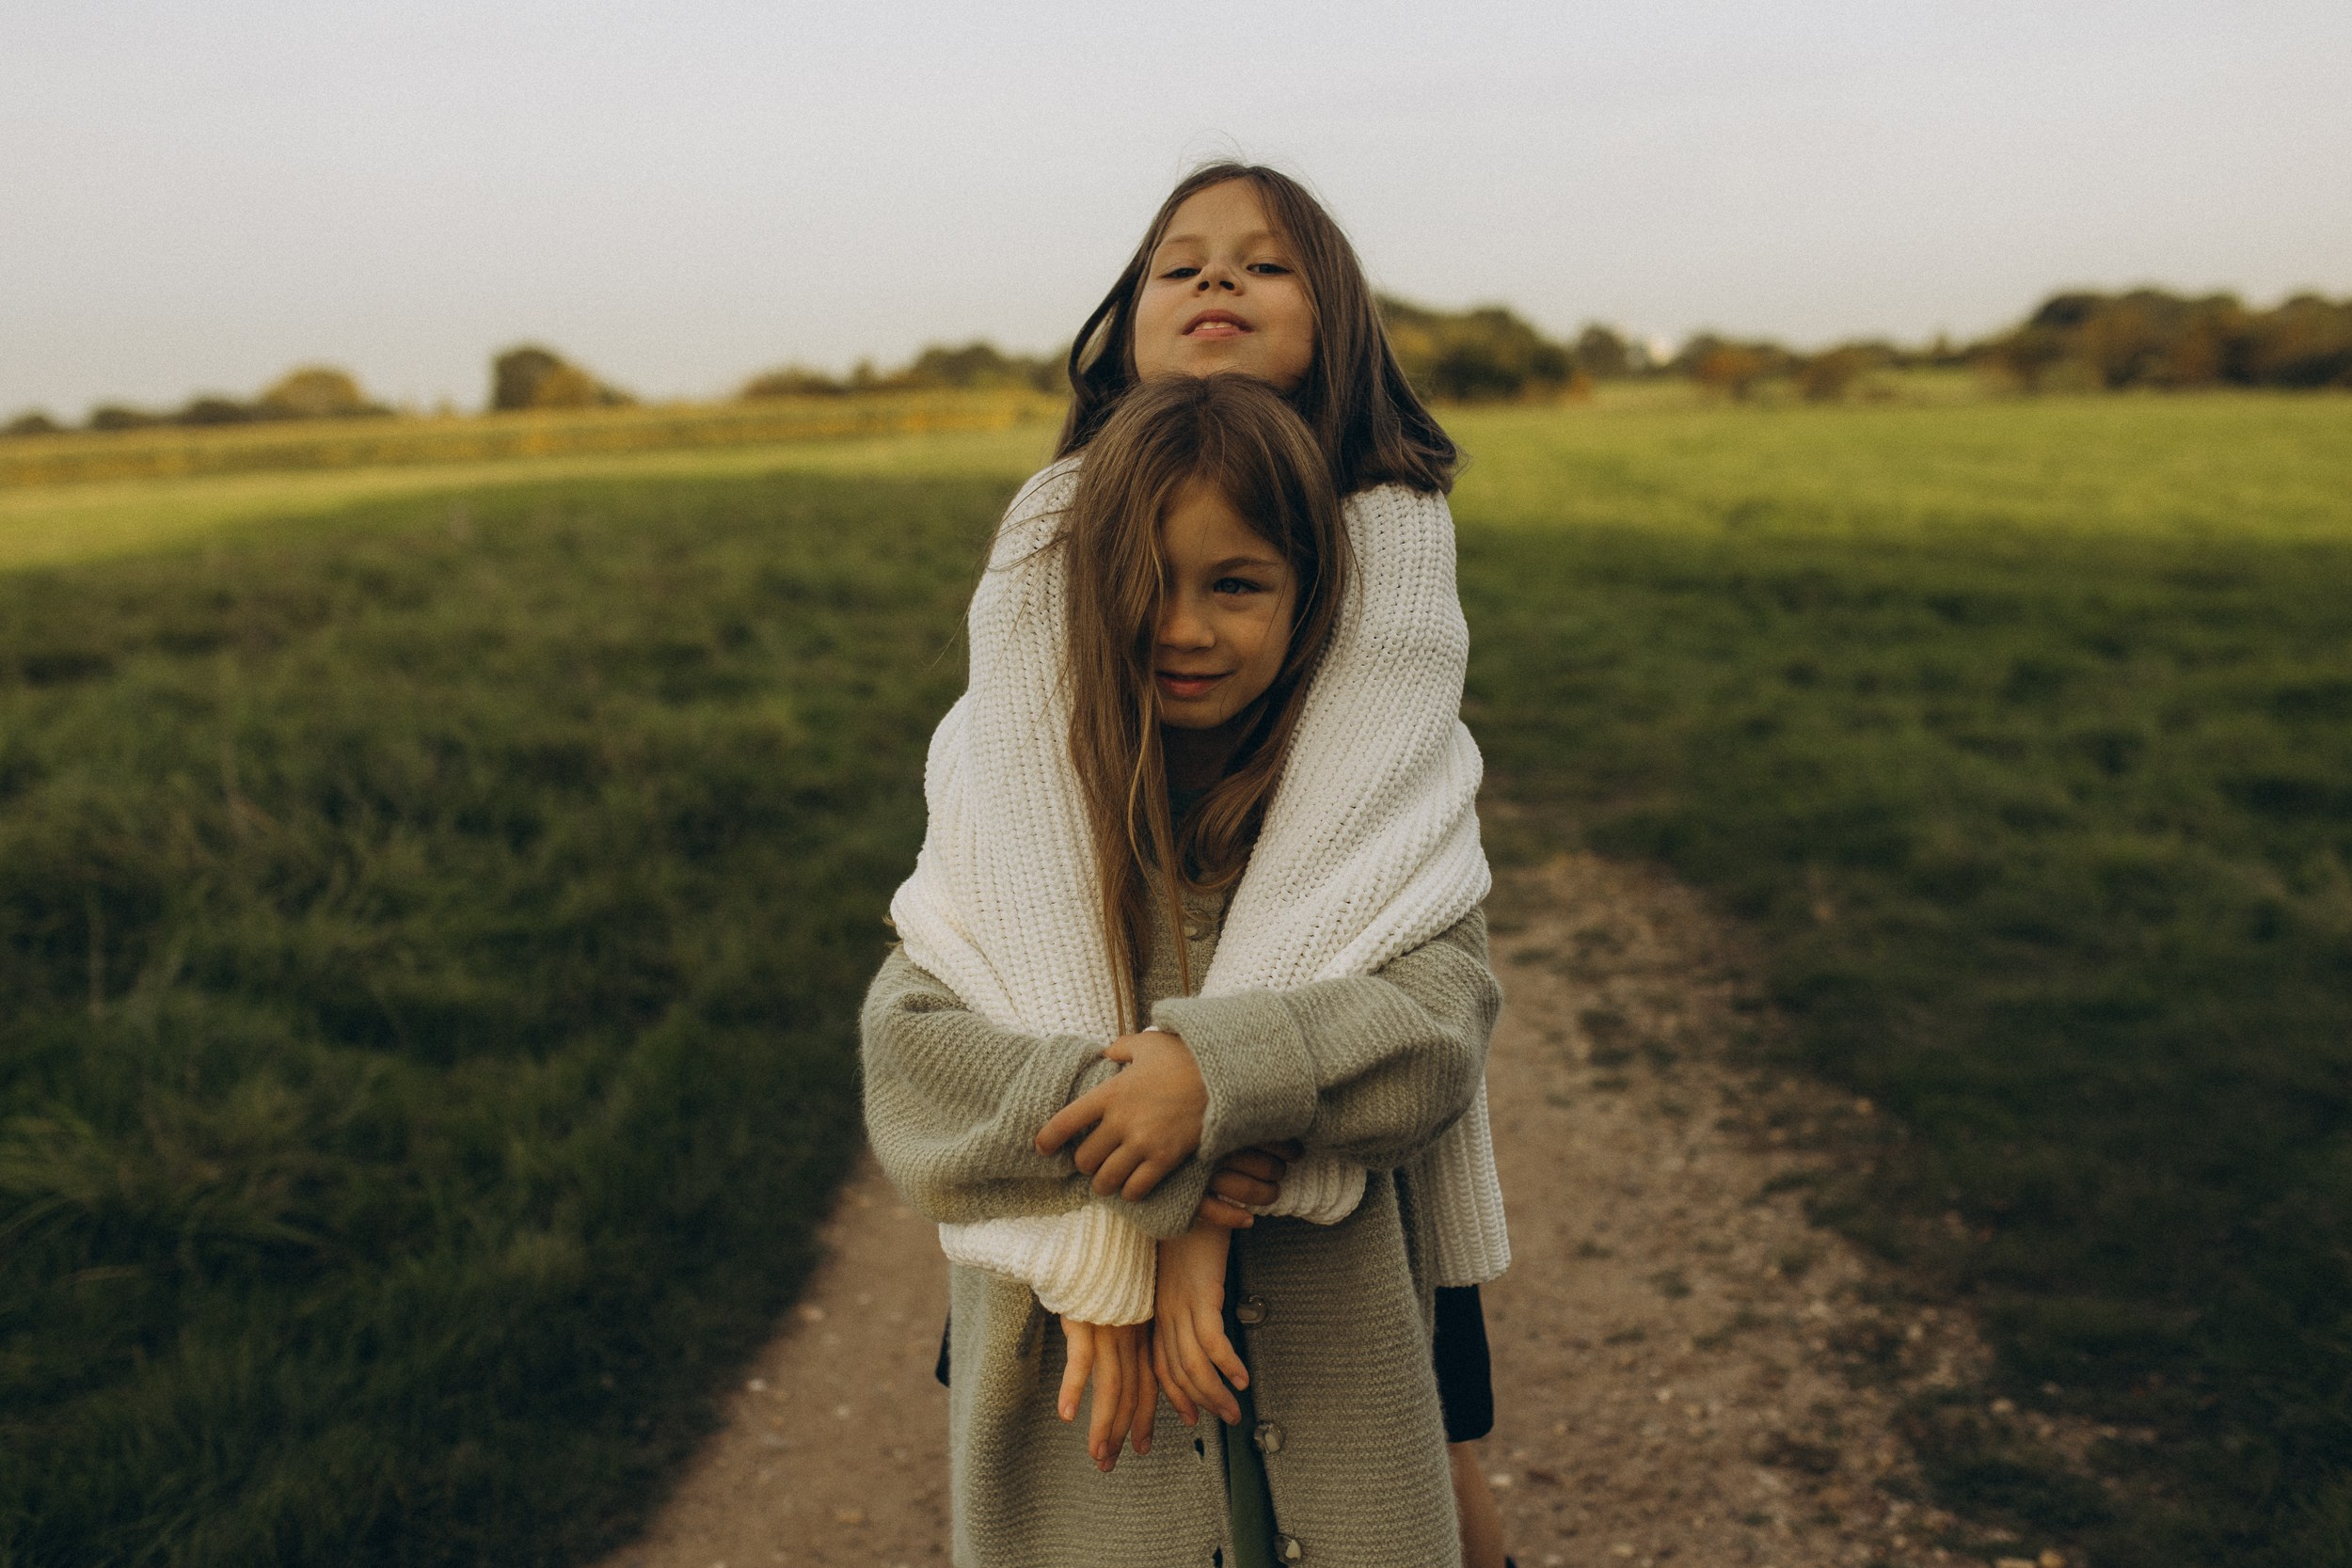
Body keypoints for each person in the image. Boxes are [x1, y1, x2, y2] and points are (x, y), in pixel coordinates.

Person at [866, 375, 1503, 1563]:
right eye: (1143, 583)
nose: (1183, 626)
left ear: (1312, 598)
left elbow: (1437, 1031)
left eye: (1238, 584)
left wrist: (1209, 1079)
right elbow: (910, 1067)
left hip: (1334, 1371)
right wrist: (1146, 1140)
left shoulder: (1368, 816)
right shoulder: (1024, 809)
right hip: (1087, 1422)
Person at [1057, 159, 1517, 1564]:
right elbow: (1003, 839)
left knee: (1408, 1467)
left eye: (1262, 263)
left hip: (1308, 1094)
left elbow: (1349, 869)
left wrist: (1203, 1141)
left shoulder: (1383, 528)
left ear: (1339, 319)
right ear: (1126, 318)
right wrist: (1108, 1220)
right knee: (1121, 1469)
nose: (1211, 280)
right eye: (1176, 261)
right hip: (1111, 1108)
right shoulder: (1060, 524)